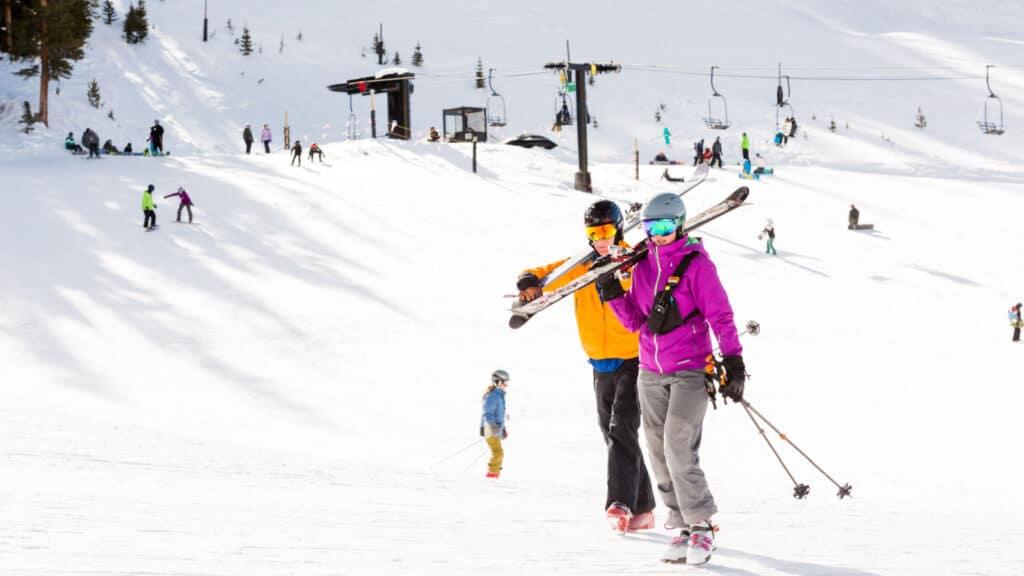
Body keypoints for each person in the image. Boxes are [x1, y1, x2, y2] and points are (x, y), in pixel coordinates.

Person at [596, 192, 746, 565]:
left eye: (664, 227)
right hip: (649, 371)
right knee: (657, 449)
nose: (658, 234)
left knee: (679, 445)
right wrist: (613, 292)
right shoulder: (643, 265)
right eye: (650, 228)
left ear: (679, 225)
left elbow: (721, 315)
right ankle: (680, 524)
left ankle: (702, 525)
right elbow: (634, 321)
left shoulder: (697, 265)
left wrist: (733, 359)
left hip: (690, 369)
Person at [516, 200, 656, 533]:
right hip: (599, 361)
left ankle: (619, 502)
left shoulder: (632, 261)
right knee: (612, 433)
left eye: (607, 231)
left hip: (634, 357)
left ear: (619, 229)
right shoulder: (581, 265)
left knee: (622, 426)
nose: (601, 239)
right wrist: (528, 284)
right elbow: (541, 273)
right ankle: (644, 507)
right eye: (594, 232)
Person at [480, 370, 509, 479]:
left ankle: (494, 474)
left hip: (494, 429)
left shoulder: (499, 396)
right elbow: (488, 413)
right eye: (504, 382)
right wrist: (493, 426)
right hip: (490, 429)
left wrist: (502, 430)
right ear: (496, 381)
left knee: (499, 453)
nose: (506, 385)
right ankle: (492, 475)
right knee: (498, 453)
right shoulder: (493, 396)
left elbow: (499, 416)